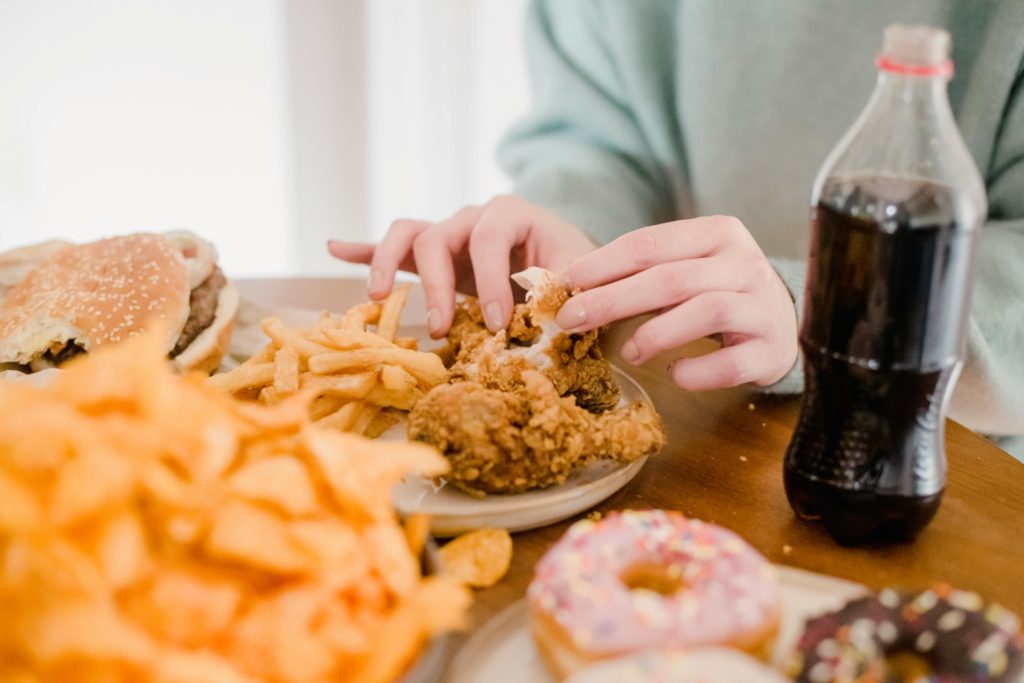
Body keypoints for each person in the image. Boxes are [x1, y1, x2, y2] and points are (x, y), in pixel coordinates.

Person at [329, 0, 1024, 458]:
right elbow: (599, 131)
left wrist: (823, 311)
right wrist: (577, 244)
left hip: (949, 449)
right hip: (705, 422)